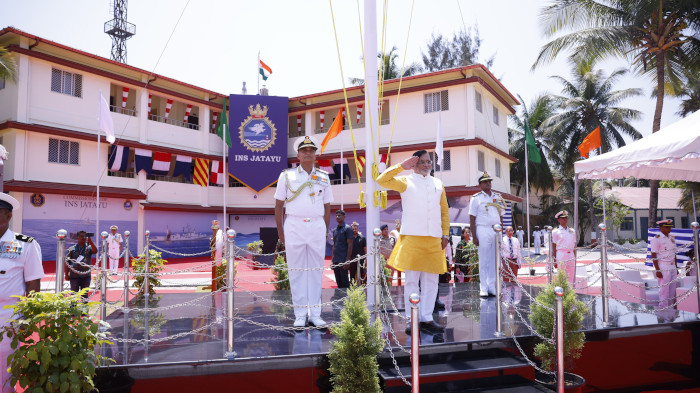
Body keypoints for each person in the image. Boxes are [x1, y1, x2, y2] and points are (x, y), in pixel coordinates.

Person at [377, 150, 449, 334]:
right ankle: (411, 318)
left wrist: (446, 234)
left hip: (434, 238)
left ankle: (426, 318)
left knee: (431, 282)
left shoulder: (438, 183)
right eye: (422, 162)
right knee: (411, 281)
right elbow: (381, 180)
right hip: (412, 237)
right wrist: (402, 165)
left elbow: (444, 211)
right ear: (414, 164)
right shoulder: (405, 181)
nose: (426, 165)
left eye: (428, 162)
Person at [274, 136, 332, 328]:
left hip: (316, 225)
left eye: (312, 150)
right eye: (304, 151)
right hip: (294, 225)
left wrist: (324, 229)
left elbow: (327, 205)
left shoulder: (324, 176)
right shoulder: (287, 175)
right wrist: (281, 232)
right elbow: (278, 205)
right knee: (297, 270)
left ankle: (315, 314)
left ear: (315, 155)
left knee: (316, 270)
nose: (308, 153)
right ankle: (300, 314)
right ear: (298, 155)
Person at [0, 193, 44, 393]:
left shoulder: (25, 245)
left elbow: (33, 287)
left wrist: (27, 321)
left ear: (8, 216)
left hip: (8, 317)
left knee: (4, 370)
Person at [469, 171, 505, 297]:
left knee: (494, 260)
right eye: (485, 182)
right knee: (484, 259)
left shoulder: (497, 197)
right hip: (482, 229)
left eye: (489, 181)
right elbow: (472, 218)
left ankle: (492, 286)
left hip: (495, 230)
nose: (488, 184)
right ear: (480, 184)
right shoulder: (476, 198)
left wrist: (501, 232)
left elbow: (501, 216)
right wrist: (474, 236)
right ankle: (483, 287)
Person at [650, 219, 679, 308]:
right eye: (666, 227)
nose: (668, 229)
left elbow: (674, 254)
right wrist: (657, 270)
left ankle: (670, 308)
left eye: (669, 227)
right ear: (660, 228)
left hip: (672, 266)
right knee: (664, 290)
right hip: (663, 266)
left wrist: (676, 267)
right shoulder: (657, 239)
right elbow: (653, 254)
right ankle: (663, 308)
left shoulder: (672, 238)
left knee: (672, 289)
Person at [66, 230, 97, 301]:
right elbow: (67, 262)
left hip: (86, 276)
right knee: (74, 296)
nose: (84, 238)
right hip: (74, 276)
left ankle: (84, 312)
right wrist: (66, 274)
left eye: (85, 236)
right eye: (81, 236)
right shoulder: (72, 249)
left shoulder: (89, 248)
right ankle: (73, 311)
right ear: (77, 238)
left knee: (85, 296)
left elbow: (95, 251)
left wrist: (91, 241)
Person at [551, 211, 577, 284]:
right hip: (561, 254)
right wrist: (555, 260)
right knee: (562, 276)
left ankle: (570, 293)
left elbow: (574, 244)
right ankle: (562, 293)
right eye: (562, 218)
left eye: (566, 218)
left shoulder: (572, 231)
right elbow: (554, 246)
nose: (565, 219)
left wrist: (574, 256)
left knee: (571, 275)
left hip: (571, 254)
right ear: (558, 220)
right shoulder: (556, 231)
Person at [331, 210, 353, 288]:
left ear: (344, 217)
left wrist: (347, 260)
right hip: (336, 259)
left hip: (343, 259)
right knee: (338, 281)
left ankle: (346, 299)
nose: (337, 217)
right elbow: (334, 245)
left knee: (345, 281)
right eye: (336, 215)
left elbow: (350, 244)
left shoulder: (348, 229)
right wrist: (332, 260)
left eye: (339, 215)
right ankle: (340, 298)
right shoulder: (335, 230)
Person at [210, 220, 224, 290]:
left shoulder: (220, 232)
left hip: (218, 250)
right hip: (216, 250)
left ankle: (219, 282)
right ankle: (215, 283)